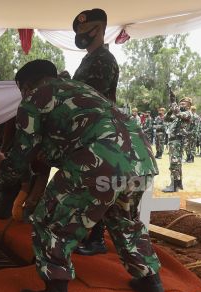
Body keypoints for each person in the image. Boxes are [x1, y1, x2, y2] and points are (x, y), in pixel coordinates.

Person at [1, 60, 163, 292]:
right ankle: (151, 282)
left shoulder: (36, 97)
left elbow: (23, 152)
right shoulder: (80, 89)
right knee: (125, 220)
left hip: (102, 160)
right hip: (140, 161)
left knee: (50, 219)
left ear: (26, 84)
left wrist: (3, 172)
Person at [71, 8, 120, 257]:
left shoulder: (102, 60)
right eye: (78, 31)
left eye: (84, 30)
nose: (80, 35)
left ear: (98, 29)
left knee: (99, 186)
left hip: (100, 132)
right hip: (89, 131)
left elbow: (92, 98)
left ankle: (97, 238)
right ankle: (90, 235)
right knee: (89, 185)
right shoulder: (90, 58)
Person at [162, 97, 192, 192]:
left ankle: (173, 186)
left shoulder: (187, 113)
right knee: (176, 163)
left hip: (178, 141)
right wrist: (171, 110)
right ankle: (178, 184)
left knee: (174, 163)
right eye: (181, 104)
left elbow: (179, 113)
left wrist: (174, 103)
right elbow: (166, 119)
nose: (182, 105)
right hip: (173, 141)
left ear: (189, 105)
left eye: (184, 104)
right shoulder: (177, 115)